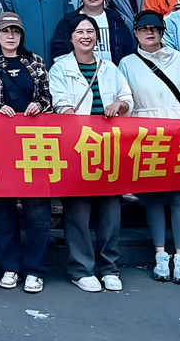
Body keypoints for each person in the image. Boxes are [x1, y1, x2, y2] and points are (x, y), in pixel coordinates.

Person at [119, 10, 180, 286]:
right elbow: (125, 98)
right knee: (154, 197)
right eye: (144, 29)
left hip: (177, 132)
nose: (150, 33)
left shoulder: (179, 59)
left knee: (179, 196)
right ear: (135, 33)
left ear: (162, 32)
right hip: (145, 135)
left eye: (154, 29)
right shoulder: (127, 63)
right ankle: (160, 254)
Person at [49, 15, 133, 293]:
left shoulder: (109, 67)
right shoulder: (60, 67)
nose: (85, 36)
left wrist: (119, 105)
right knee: (78, 211)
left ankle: (110, 266)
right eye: (79, 31)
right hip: (76, 145)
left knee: (110, 210)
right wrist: (68, 113)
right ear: (70, 37)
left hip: (108, 146)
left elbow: (127, 98)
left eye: (90, 31)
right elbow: (59, 102)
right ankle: (81, 269)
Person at [0, 13, 52, 294]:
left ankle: (35, 269)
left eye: (15, 31)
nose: (10, 36)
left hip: (34, 144)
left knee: (37, 210)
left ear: (22, 35)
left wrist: (39, 105)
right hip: (0, 146)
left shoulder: (35, 62)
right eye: (5, 31)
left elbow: (48, 98)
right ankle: (9, 266)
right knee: (1, 210)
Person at [48, 0, 136, 63]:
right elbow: (59, 51)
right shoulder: (68, 21)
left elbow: (127, 49)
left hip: (112, 70)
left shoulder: (116, 19)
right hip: (76, 70)